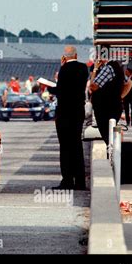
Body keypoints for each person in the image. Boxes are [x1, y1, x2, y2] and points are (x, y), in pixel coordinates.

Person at [47, 46, 88, 190]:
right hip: (78, 111)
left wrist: (48, 87)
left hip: (65, 112)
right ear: (76, 55)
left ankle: (67, 180)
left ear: (64, 57)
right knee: (77, 145)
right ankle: (80, 181)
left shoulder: (64, 70)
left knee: (65, 147)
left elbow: (60, 90)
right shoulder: (84, 68)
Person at [89, 47, 125, 145]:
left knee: (106, 135)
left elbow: (92, 87)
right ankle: (115, 156)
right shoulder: (117, 67)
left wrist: (95, 69)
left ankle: (114, 156)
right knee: (110, 134)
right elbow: (128, 83)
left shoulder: (108, 68)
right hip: (114, 106)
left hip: (105, 108)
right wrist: (120, 96)